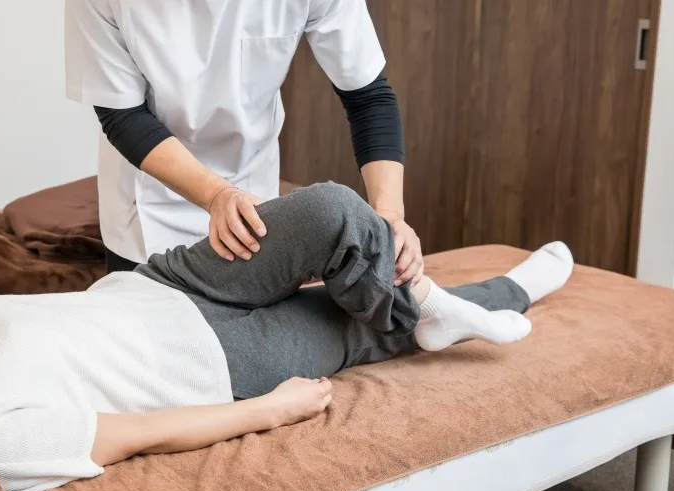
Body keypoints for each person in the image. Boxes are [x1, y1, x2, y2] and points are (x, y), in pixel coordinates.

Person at [0, 184, 573, 491]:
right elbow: (138, 433)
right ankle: (503, 292)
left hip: (167, 284)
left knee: (332, 209)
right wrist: (267, 411)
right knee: (365, 328)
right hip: (220, 363)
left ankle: (426, 303)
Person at [65, 0, 425, 287]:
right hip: (149, 207)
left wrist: (390, 216)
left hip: (254, 200)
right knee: (151, 344)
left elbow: (368, 97)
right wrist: (217, 196)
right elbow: (123, 117)